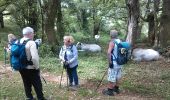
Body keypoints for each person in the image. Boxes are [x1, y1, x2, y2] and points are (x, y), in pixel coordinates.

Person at [18, 27, 46, 100]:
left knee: (26, 83)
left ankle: (29, 97)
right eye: (33, 32)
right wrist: (37, 67)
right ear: (30, 34)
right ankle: (40, 98)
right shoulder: (31, 43)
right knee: (37, 84)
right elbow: (34, 58)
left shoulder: (19, 41)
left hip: (21, 67)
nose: (33, 34)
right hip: (31, 68)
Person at [102, 30, 122, 96]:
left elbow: (108, 53)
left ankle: (110, 91)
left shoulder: (112, 42)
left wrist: (110, 62)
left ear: (111, 35)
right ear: (117, 35)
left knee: (111, 75)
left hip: (114, 62)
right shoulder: (120, 41)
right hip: (120, 62)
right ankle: (116, 89)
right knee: (118, 76)